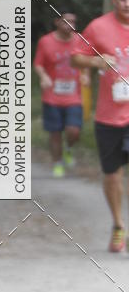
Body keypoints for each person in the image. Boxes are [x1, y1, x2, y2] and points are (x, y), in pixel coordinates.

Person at [72, 0, 129, 252]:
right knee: (112, 176)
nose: (127, 3)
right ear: (114, 0)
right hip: (109, 116)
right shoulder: (98, 27)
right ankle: (118, 225)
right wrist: (96, 61)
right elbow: (75, 58)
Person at [34, 11, 85, 177]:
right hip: (52, 97)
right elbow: (38, 64)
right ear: (57, 22)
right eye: (66, 21)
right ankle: (57, 162)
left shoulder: (80, 40)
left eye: (73, 22)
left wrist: (85, 74)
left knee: (73, 130)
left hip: (74, 96)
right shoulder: (45, 41)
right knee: (55, 132)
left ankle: (68, 149)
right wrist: (43, 76)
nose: (71, 25)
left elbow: (87, 60)